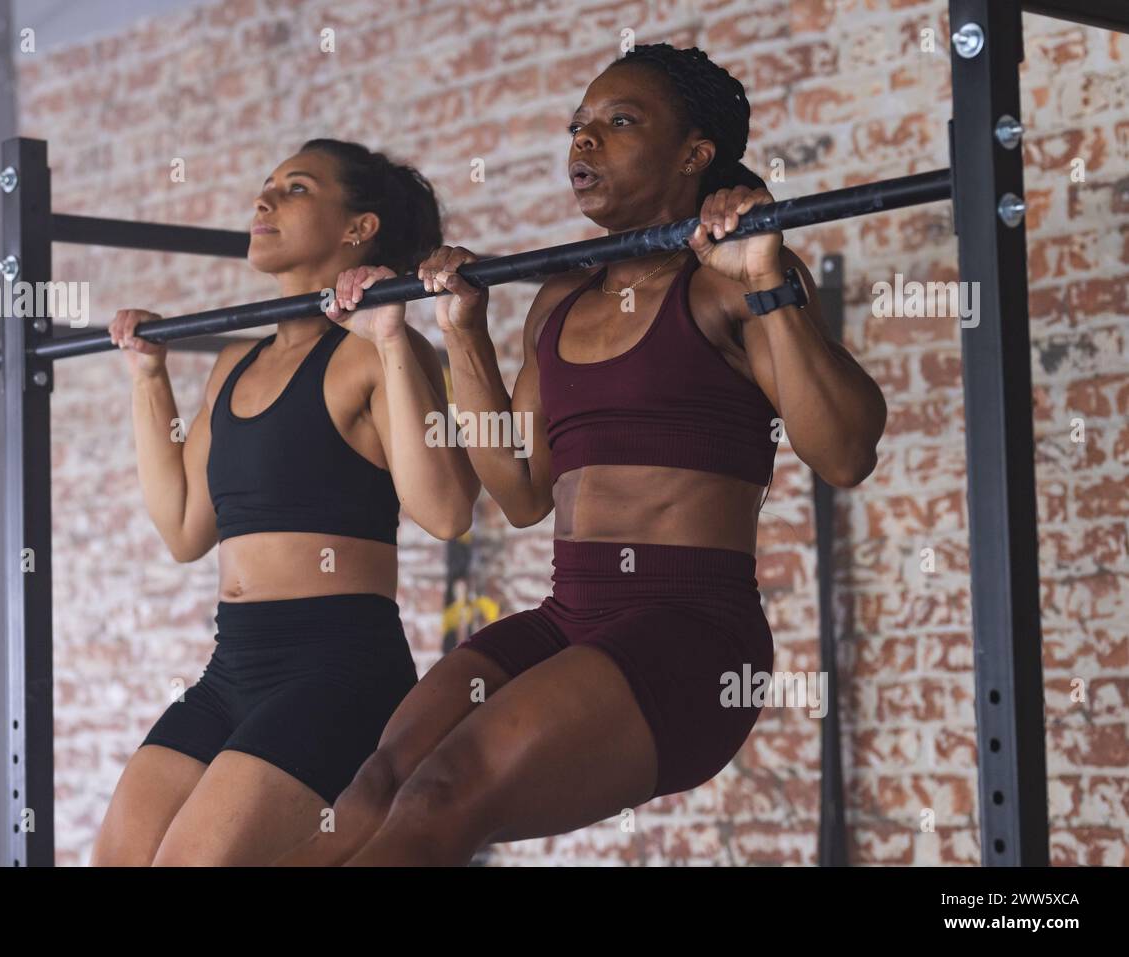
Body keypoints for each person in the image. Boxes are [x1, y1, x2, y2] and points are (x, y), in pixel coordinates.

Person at [274, 43, 886, 866]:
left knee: (440, 795)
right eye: (578, 127)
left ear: (695, 154)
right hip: (570, 616)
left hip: (691, 637)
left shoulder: (732, 280)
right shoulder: (560, 298)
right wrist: (462, 331)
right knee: (377, 782)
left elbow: (846, 452)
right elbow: (522, 491)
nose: (583, 144)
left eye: (618, 123)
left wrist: (767, 283)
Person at [90, 139, 480, 865]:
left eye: (294, 189)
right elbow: (182, 529)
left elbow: (450, 510)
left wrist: (393, 338)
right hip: (232, 665)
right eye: (265, 185)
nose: (262, 201)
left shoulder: (375, 351)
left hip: (339, 669)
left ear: (356, 228)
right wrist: (149, 380)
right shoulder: (236, 365)